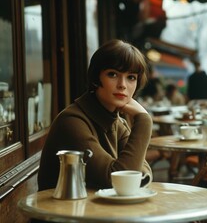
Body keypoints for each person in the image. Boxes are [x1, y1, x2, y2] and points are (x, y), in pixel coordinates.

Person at [37, 39, 153, 191]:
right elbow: (117, 179)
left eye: (131, 77)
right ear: (96, 78)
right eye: (112, 74)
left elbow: (144, 173)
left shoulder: (117, 122)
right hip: (64, 213)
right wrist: (144, 120)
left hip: (99, 211)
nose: (122, 84)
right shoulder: (72, 121)